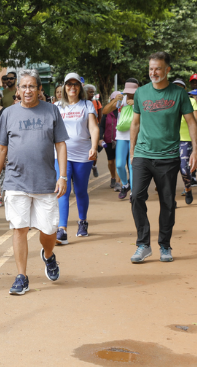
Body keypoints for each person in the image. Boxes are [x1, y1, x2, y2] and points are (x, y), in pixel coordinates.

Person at [0, 70, 68, 295]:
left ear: (39, 89)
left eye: (32, 87)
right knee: (19, 228)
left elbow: (61, 144)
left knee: (49, 230)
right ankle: (21, 277)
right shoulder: (8, 114)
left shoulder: (52, 111)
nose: (27, 91)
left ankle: (48, 255)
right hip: (15, 180)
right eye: (23, 87)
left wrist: (62, 176)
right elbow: (1, 148)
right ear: (18, 90)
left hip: (45, 181)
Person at [129, 52, 197, 264]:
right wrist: (132, 152)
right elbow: (135, 123)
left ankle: (165, 245)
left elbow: (192, 122)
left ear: (167, 70)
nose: (153, 72)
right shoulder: (141, 93)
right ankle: (143, 244)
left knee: (167, 202)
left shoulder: (178, 94)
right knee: (136, 197)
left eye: (158, 68)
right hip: (143, 154)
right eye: (151, 68)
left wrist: (195, 150)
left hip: (168, 157)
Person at [55, 73, 99, 244]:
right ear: (64, 87)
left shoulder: (87, 105)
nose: (72, 87)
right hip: (61, 156)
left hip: (82, 154)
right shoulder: (57, 106)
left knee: (80, 191)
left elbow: (94, 128)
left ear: (80, 87)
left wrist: (94, 147)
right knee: (62, 190)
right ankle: (62, 229)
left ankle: (82, 222)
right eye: (68, 84)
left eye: (75, 84)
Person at [101, 79, 139, 200]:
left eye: (132, 92)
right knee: (119, 165)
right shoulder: (121, 99)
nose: (130, 94)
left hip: (135, 136)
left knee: (132, 165)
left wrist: (136, 104)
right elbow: (105, 111)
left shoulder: (141, 99)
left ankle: (133, 191)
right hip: (122, 136)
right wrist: (114, 102)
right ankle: (125, 184)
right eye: (128, 92)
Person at [171, 79, 197, 205]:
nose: (178, 89)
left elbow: (196, 121)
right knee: (169, 171)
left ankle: (188, 188)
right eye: (175, 87)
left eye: (180, 87)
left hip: (185, 139)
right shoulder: (167, 102)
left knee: (184, 169)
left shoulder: (191, 101)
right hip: (170, 140)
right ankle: (171, 199)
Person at [99, 91, 121, 190]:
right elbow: (101, 126)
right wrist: (100, 138)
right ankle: (113, 177)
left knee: (119, 162)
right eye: (114, 100)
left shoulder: (123, 110)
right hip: (108, 140)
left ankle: (117, 182)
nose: (117, 102)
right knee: (111, 161)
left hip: (120, 140)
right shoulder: (106, 113)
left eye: (119, 99)